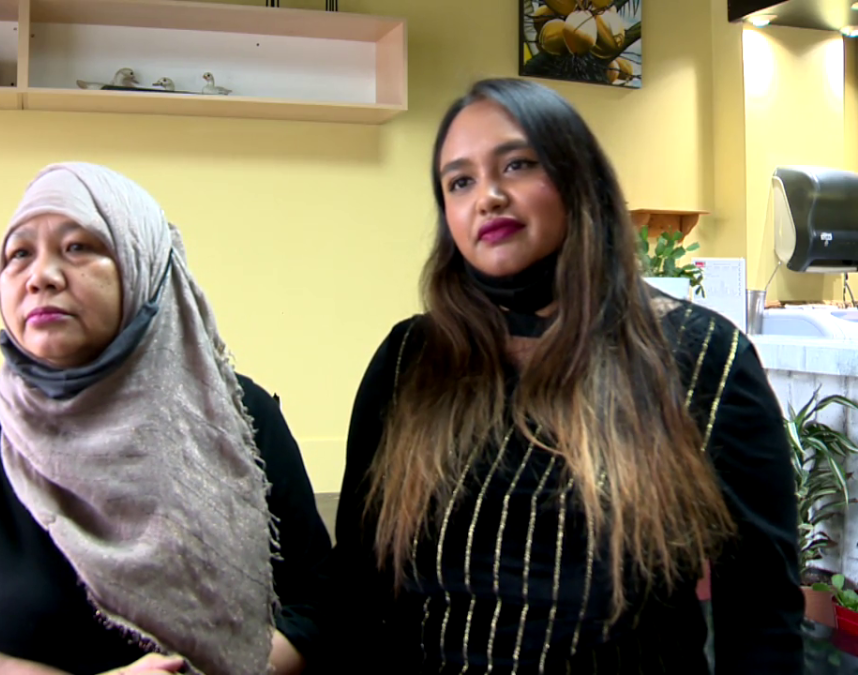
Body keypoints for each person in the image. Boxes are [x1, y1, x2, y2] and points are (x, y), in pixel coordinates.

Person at [313, 78, 803, 674]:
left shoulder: (702, 359)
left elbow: (761, 612)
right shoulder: (408, 363)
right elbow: (360, 593)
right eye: (459, 181)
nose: (487, 197)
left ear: (580, 180)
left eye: (517, 165)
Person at [0, 162, 332, 675]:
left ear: (142, 264)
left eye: (78, 247)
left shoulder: (238, 417)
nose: (41, 276)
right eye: (19, 254)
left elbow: (320, 612)